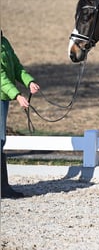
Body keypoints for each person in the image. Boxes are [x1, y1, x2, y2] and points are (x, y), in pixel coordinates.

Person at [1, 31, 40, 198]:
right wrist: (17, 95)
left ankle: (3, 187)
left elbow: (15, 66)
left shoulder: (4, 41)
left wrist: (28, 81)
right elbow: (1, 77)